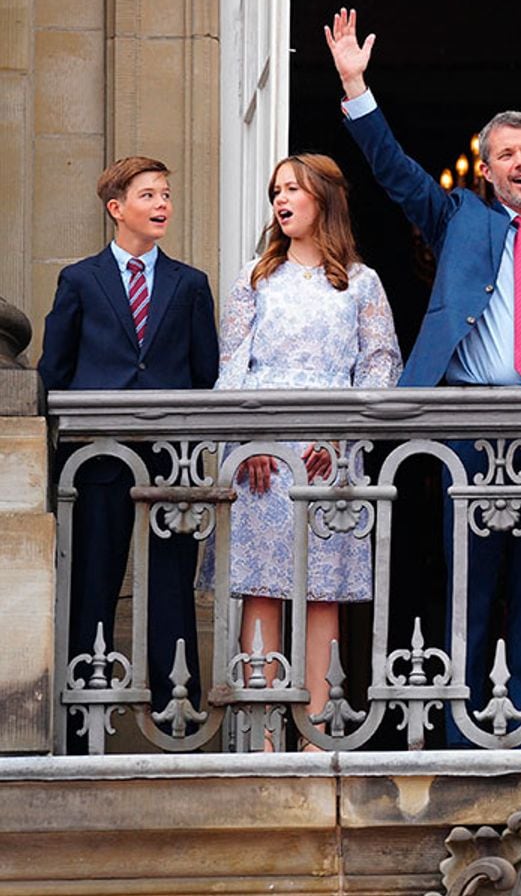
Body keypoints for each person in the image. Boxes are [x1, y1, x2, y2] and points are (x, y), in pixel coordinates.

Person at [323, 9, 521, 744]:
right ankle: (461, 735)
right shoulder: (459, 217)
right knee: (469, 581)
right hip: (470, 424)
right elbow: (394, 172)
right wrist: (357, 87)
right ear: (485, 168)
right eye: (505, 154)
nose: (519, 164)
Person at [200, 153, 402, 747]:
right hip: (263, 453)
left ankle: (316, 737)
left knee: (323, 593)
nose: (281, 200)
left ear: (324, 200)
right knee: (261, 589)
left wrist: (341, 439)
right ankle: (262, 739)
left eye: (293, 189)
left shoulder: (361, 282)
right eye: (275, 192)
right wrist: (248, 440)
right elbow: (232, 364)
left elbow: (380, 364)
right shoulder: (255, 278)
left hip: (329, 454)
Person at [39, 156, 219, 751]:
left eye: (166, 194)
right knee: (92, 579)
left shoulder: (190, 284)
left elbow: (204, 373)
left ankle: (179, 714)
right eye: (149, 195)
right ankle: (78, 720)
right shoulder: (80, 280)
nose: (162, 204)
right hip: (98, 459)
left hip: (171, 458)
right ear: (117, 208)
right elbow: (54, 371)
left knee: (172, 583)